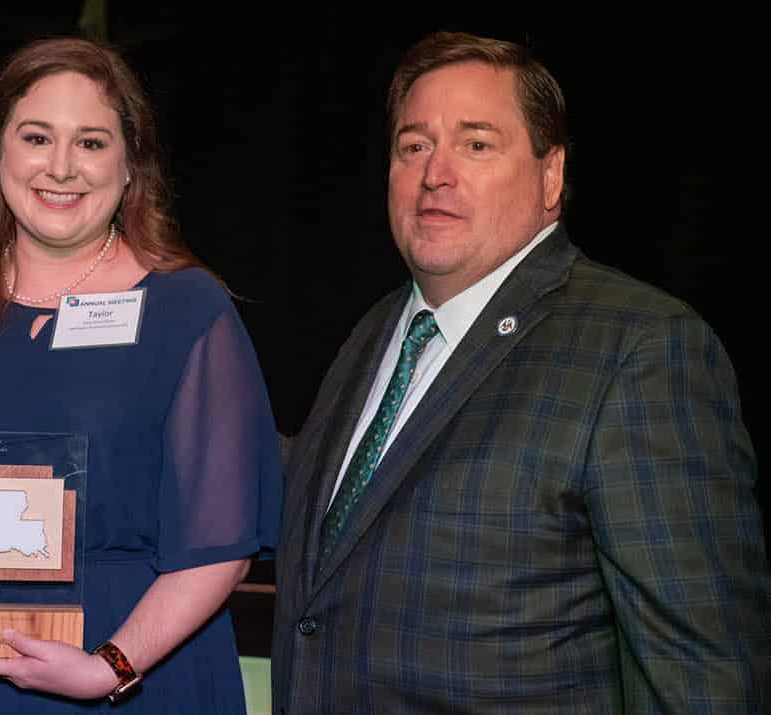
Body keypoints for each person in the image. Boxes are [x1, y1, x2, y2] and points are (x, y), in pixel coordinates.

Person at [272, 31, 770, 712]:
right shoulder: (374, 332)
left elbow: (701, 675)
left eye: (476, 144)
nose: (434, 172)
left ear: (551, 176)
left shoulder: (641, 348)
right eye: (413, 146)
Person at [0, 37, 281, 713]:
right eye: (36, 137)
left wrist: (111, 664)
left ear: (130, 165)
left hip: (135, 675)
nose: (60, 167)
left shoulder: (189, 312)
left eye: (90, 142)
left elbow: (219, 541)